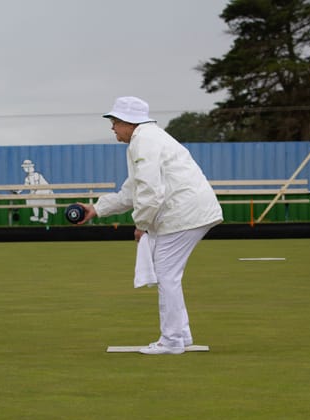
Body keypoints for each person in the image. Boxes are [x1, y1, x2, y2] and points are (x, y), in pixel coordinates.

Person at [76, 96, 223, 355]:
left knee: (166, 275)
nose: (112, 127)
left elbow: (150, 191)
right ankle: (180, 335)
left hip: (184, 213)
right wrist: (97, 209)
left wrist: (142, 224)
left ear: (128, 122)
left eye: (115, 122)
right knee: (169, 275)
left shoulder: (144, 141)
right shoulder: (147, 139)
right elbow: (133, 190)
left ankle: (171, 341)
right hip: (190, 212)